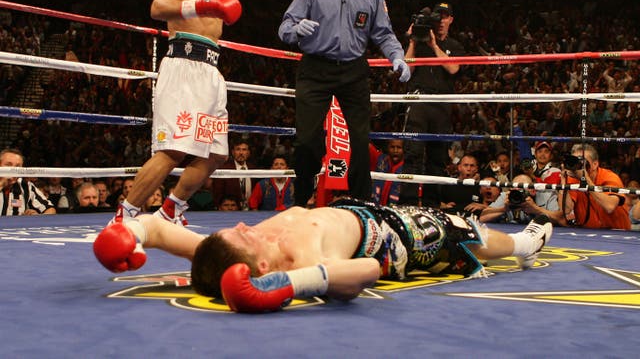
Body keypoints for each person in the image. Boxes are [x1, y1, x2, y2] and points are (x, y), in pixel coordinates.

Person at [93, 197, 553, 313]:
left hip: (356, 207)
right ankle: (526, 244)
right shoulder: (299, 261)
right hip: (394, 238)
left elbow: (155, 227)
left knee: (459, 228)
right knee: (462, 233)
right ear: (265, 268)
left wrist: (123, 235)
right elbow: (369, 269)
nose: (240, 226)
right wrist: (286, 287)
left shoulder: (228, 248)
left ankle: (522, 243)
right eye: (245, 238)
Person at [114, 0, 249, 225]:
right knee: (173, 150)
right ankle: (125, 216)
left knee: (216, 154)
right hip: (184, 66)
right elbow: (158, 8)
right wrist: (201, 4)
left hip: (211, 70)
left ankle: (171, 209)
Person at [277, 0, 411, 207]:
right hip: (315, 69)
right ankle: (302, 199)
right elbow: (285, 27)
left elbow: (383, 33)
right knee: (306, 141)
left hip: (353, 70)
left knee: (361, 141)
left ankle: (361, 205)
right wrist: (296, 30)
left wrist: (397, 56)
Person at [398, 3, 466, 205]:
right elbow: (405, 71)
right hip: (419, 100)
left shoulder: (455, 46)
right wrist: (412, 41)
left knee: (437, 156)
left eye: (446, 17)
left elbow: (453, 68)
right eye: (439, 17)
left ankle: (432, 203)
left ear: (451, 19)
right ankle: (408, 203)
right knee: (413, 153)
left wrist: (434, 46)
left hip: (441, 103)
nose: (442, 21)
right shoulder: (417, 45)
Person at [558, 143, 630, 230]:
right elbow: (566, 210)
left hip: (617, 232)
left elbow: (609, 206)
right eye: (575, 161)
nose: (578, 165)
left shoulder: (610, 177)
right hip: (588, 233)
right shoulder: (573, 177)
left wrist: (586, 179)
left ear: (595, 164)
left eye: (582, 161)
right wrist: (563, 182)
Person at [480, 173, 563, 225]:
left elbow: (561, 220)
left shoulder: (547, 196)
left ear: (533, 191)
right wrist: (504, 209)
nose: (518, 194)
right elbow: (483, 217)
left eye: (521, 190)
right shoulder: (508, 196)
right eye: (515, 190)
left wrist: (535, 209)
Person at [0, 148, 56, 216]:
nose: (13, 169)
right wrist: (1, 184)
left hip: (15, 226)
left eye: (17, 166)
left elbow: (50, 209)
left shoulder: (25, 185)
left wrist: (37, 218)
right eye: (8, 165)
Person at [211, 139, 255, 210]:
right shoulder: (224, 169)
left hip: (249, 209)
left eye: (244, 150)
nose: (241, 153)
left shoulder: (253, 168)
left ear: (248, 153)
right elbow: (217, 192)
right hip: (230, 210)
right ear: (233, 152)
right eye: (238, 149)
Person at [371, 139, 404, 206]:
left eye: (399, 147)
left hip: (398, 207)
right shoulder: (380, 160)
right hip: (376, 205)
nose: (395, 151)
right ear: (388, 147)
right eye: (392, 147)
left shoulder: (408, 168)